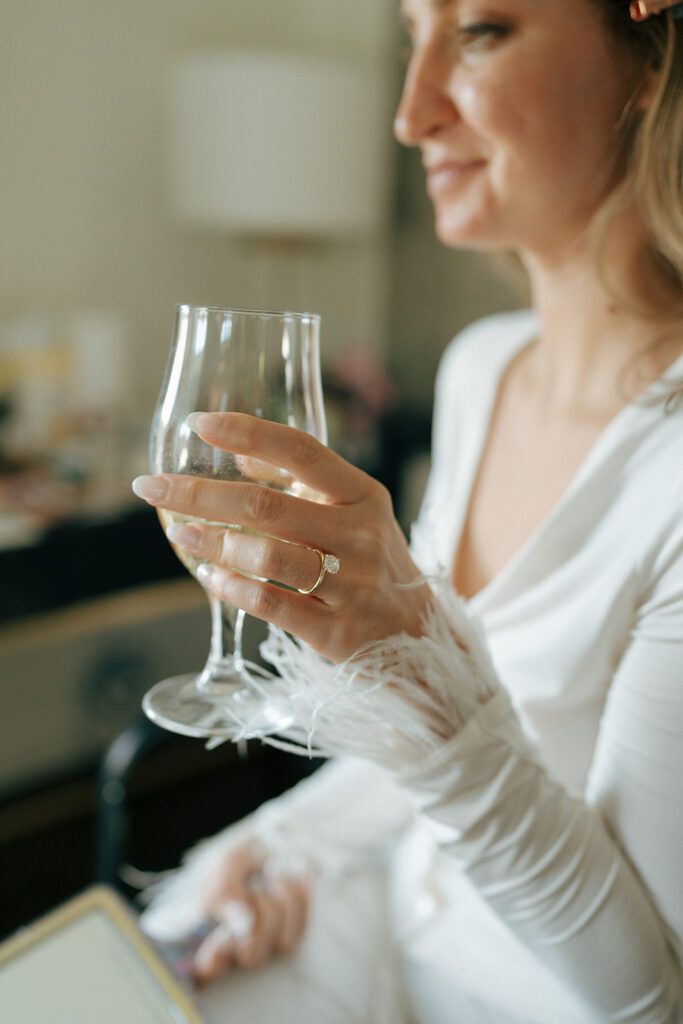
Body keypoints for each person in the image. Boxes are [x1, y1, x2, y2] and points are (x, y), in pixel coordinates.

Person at [132, 0, 683, 1020]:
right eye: (406, 42)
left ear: (647, 62)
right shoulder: (481, 368)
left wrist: (411, 651)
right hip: (377, 918)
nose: (408, 114)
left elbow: (647, 995)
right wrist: (272, 850)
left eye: (477, 33)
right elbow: (409, 756)